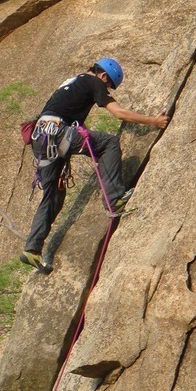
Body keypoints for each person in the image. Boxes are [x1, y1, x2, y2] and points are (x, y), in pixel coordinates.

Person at [20, 57, 170, 274]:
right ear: (103, 76)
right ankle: (114, 199)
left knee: (53, 193)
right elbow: (119, 113)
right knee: (108, 143)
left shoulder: (71, 82)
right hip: (58, 134)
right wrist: (152, 121)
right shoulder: (94, 83)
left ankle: (32, 249)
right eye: (108, 84)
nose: (106, 88)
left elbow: (69, 117)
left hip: (41, 138)